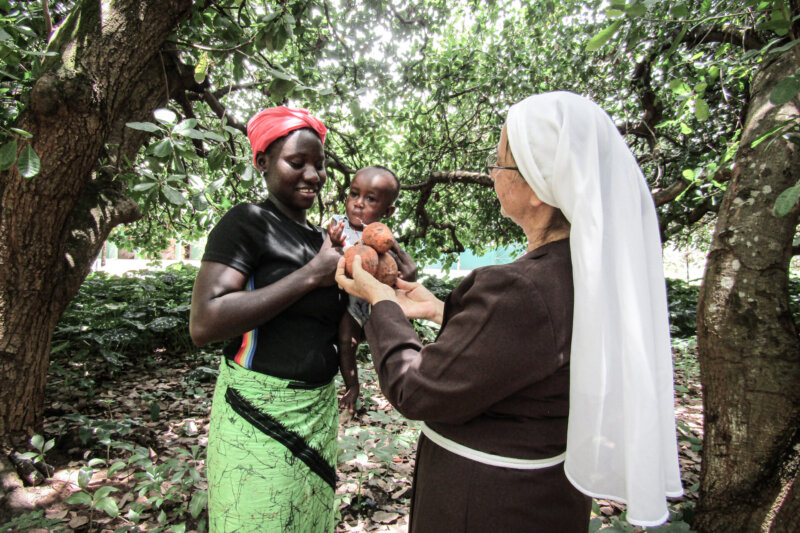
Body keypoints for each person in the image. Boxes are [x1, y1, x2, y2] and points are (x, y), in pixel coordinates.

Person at [335, 91, 684, 531]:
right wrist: (442, 310)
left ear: (538, 187)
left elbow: (416, 390)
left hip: (485, 500)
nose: (494, 173)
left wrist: (381, 303)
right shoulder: (587, 269)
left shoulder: (520, 287)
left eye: (500, 163)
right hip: (545, 495)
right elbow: (532, 346)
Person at [189, 106, 345, 532]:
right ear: (262, 162)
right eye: (297, 163)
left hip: (316, 414)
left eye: (319, 164)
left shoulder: (322, 240)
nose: (313, 175)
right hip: (257, 417)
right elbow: (205, 322)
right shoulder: (248, 223)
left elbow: (330, 326)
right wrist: (312, 275)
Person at [327, 165, 418, 413]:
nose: (358, 204)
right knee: (346, 341)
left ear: (387, 211)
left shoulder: (381, 235)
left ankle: (395, 382)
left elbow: (403, 266)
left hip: (367, 299)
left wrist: (405, 273)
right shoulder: (337, 225)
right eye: (354, 194)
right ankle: (352, 386)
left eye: (370, 199)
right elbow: (323, 258)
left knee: (370, 340)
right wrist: (334, 244)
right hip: (342, 296)